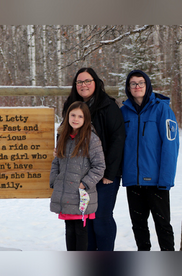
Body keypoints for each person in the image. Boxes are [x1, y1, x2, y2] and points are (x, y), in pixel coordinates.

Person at [61, 68, 125, 251]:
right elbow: (64, 133)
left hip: (104, 174)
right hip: (80, 176)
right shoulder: (71, 106)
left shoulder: (108, 106)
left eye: (87, 81)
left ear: (96, 82)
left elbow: (118, 139)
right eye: (79, 82)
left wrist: (110, 173)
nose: (84, 85)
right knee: (85, 220)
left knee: (101, 217)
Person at [121, 70, 179, 251]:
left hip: (156, 182)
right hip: (133, 181)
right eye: (133, 83)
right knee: (138, 227)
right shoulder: (123, 112)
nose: (137, 86)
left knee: (163, 226)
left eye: (141, 83)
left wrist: (166, 180)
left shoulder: (162, 109)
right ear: (128, 88)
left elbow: (171, 146)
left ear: (147, 86)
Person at [50, 101, 105, 251]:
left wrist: (84, 184)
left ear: (86, 119)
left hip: (80, 194)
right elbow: (57, 161)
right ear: (67, 116)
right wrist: (55, 180)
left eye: (80, 116)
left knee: (80, 231)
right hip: (65, 194)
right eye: (73, 115)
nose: (76, 119)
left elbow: (100, 166)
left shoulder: (91, 139)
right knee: (69, 230)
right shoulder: (63, 136)